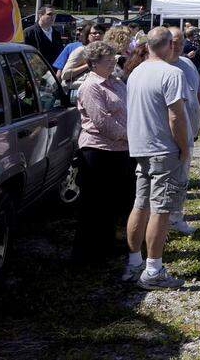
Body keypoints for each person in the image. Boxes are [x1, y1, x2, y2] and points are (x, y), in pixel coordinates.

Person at [123, 27, 190, 289]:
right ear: (169, 46)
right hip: (163, 148)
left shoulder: (136, 72)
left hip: (140, 146)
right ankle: (153, 269)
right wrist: (184, 147)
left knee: (140, 204)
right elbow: (176, 117)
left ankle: (134, 262)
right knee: (161, 209)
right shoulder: (172, 73)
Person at [71, 40, 135, 264]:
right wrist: (132, 135)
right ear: (92, 64)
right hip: (98, 151)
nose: (112, 64)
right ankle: (88, 253)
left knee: (117, 201)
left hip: (121, 149)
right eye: (107, 61)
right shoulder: (91, 87)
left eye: (113, 60)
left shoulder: (116, 82)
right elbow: (103, 122)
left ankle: (109, 245)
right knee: (95, 204)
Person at [166, 26, 200, 236]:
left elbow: (198, 92)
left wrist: (199, 120)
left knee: (183, 176)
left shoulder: (188, 63)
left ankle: (176, 216)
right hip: (169, 134)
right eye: (173, 42)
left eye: (180, 42)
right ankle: (166, 219)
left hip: (189, 129)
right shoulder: (161, 67)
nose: (178, 46)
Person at [61, 23, 108, 89]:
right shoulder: (81, 50)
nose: (97, 35)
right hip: (79, 91)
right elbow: (65, 75)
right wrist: (88, 65)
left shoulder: (105, 52)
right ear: (87, 36)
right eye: (94, 33)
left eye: (100, 33)